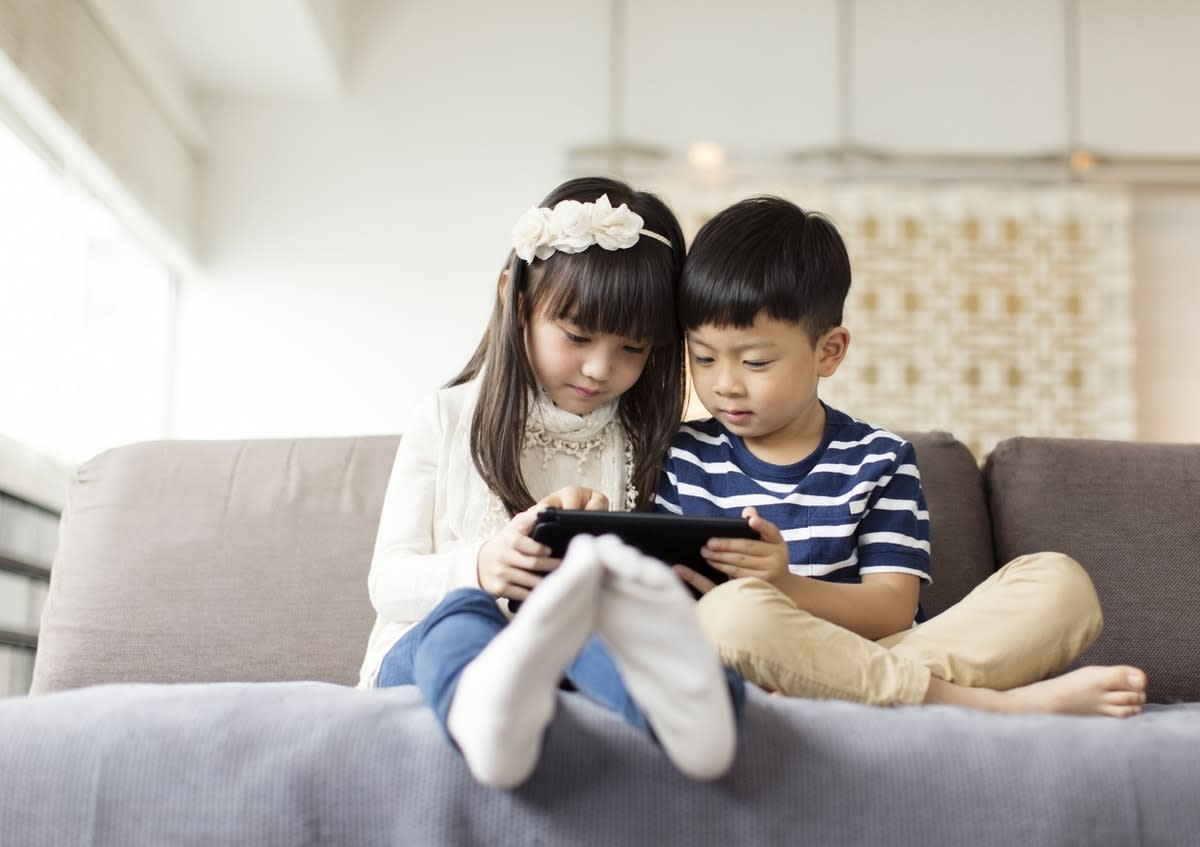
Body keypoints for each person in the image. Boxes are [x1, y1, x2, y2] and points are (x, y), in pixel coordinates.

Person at [658, 195, 1148, 717]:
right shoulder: (682, 456)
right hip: (746, 652)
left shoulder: (879, 459)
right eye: (703, 357)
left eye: (755, 361)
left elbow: (892, 609)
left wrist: (784, 585)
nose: (725, 384)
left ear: (829, 351)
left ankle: (835, 690)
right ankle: (987, 706)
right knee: (730, 615)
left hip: (867, 655)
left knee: (1058, 583)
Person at [357, 177, 740, 790]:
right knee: (465, 614)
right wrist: (483, 566)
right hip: (435, 647)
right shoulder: (446, 418)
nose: (599, 368)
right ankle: (480, 713)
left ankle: (701, 718)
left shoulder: (647, 440)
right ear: (515, 297)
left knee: (617, 630)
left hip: (568, 651)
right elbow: (388, 583)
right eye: (578, 336)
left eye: (632, 349)